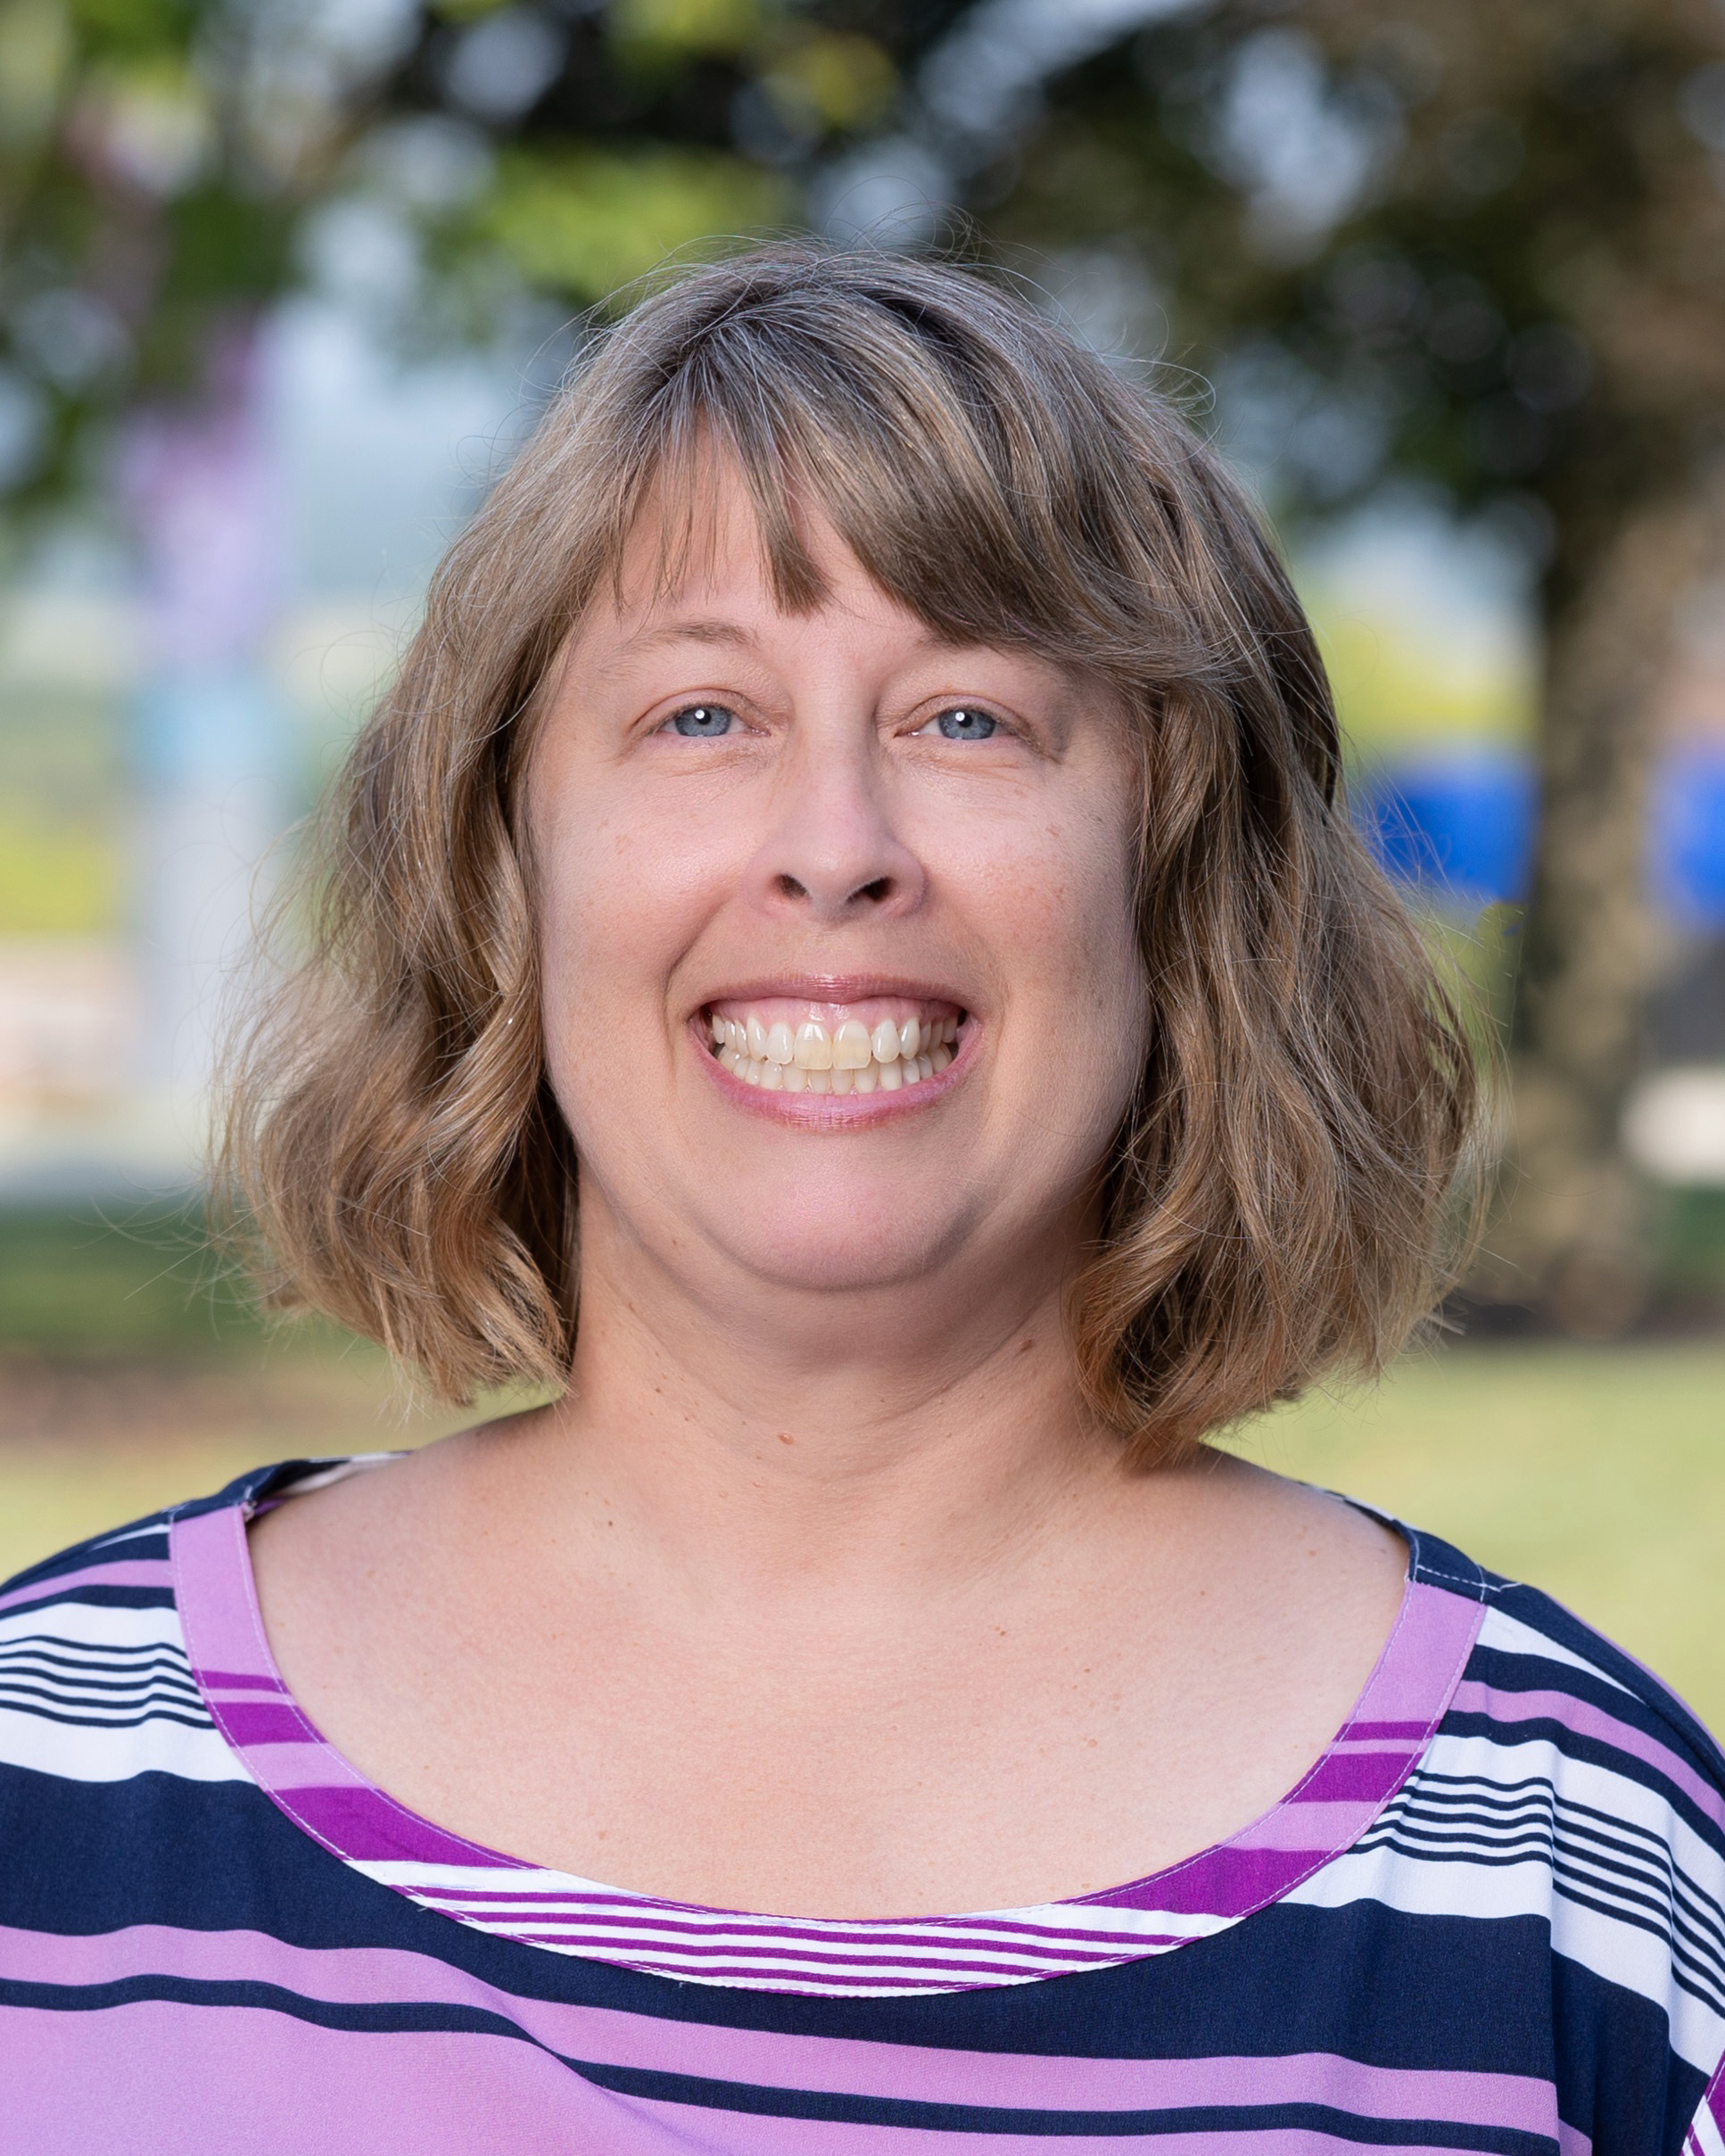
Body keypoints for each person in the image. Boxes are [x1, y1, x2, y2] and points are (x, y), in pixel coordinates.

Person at [4, 247, 1721, 2152]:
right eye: (702, 718)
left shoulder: (1572, 1867)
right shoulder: (45, 1779)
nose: (836, 851)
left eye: (967, 720)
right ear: (500, 872)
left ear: (1180, 891)